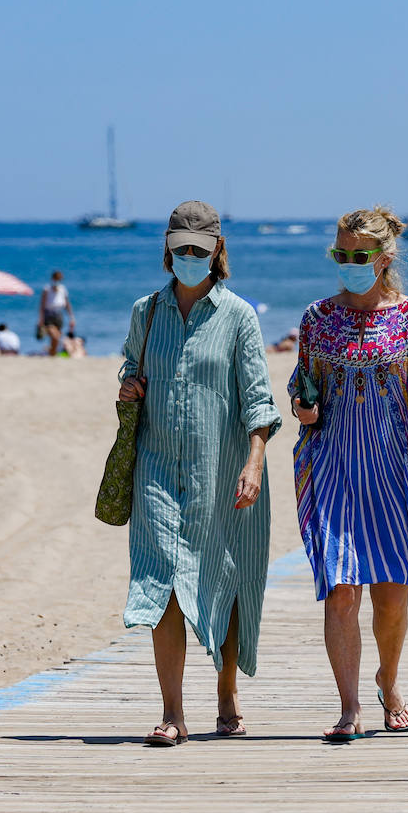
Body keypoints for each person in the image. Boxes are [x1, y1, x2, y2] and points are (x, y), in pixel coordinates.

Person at [291, 205, 408, 742]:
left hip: (396, 468)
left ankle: (388, 682)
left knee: (391, 596)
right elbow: (305, 385)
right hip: (335, 466)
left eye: (358, 255)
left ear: (384, 258)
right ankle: (349, 708)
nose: (348, 263)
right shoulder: (316, 318)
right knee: (342, 589)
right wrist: (304, 407)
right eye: (340, 254)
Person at [117, 201, 281, 747]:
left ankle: (227, 693)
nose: (189, 257)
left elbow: (258, 401)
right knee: (163, 580)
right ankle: (172, 713)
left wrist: (253, 464)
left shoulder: (238, 316)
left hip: (223, 472)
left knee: (223, 581)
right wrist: (129, 387)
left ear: (217, 253)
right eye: (181, 248)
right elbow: (130, 370)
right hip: (157, 469)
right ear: (167, 249)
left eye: (199, 250)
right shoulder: (146, 311)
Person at [39, 271, 76, 357]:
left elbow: (67, 304)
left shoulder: (63, 289)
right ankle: (52, 353)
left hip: (59, 314)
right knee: (54, 336)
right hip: (49, 314)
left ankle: (52, 355)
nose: (57, 281)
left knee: (56, 338)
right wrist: (40, 319)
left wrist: (71, 317)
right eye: (56, 279)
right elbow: (42, 305)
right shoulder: (47, 289)